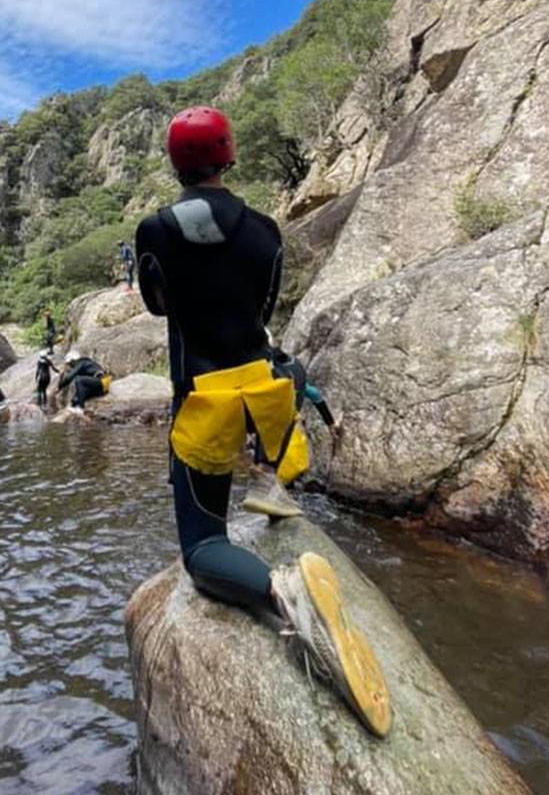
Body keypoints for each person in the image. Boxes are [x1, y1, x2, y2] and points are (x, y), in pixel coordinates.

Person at [135, 105, 390, 737]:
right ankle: (273, 489)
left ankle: (285, 595)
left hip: (203, 399)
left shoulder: (154, 230)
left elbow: (156, 301)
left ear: (175, 163)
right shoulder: (269, 232)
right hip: (264, 391)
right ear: (231, 156)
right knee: (279, 397)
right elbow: (263, 307)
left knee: (202, 549)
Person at [241, 341, 343, 511]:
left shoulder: (273, 376)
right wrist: (331, 424)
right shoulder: (292, 375)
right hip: (280, 411)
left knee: (273, 448)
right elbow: (316, 395)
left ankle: (268, 485)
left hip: (271, 409)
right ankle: (271, 487)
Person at [57, 349, 112, 413]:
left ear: (73, 360)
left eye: (69, 363)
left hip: (102, 381)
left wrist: (59, 387)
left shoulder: (81, 362)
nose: (69, 365)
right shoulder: (84, 365)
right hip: (99, 387)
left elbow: (70, 377)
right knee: (76, 398)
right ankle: (75, 406)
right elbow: (82, 387)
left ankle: (81, 408)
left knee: (78, 379)